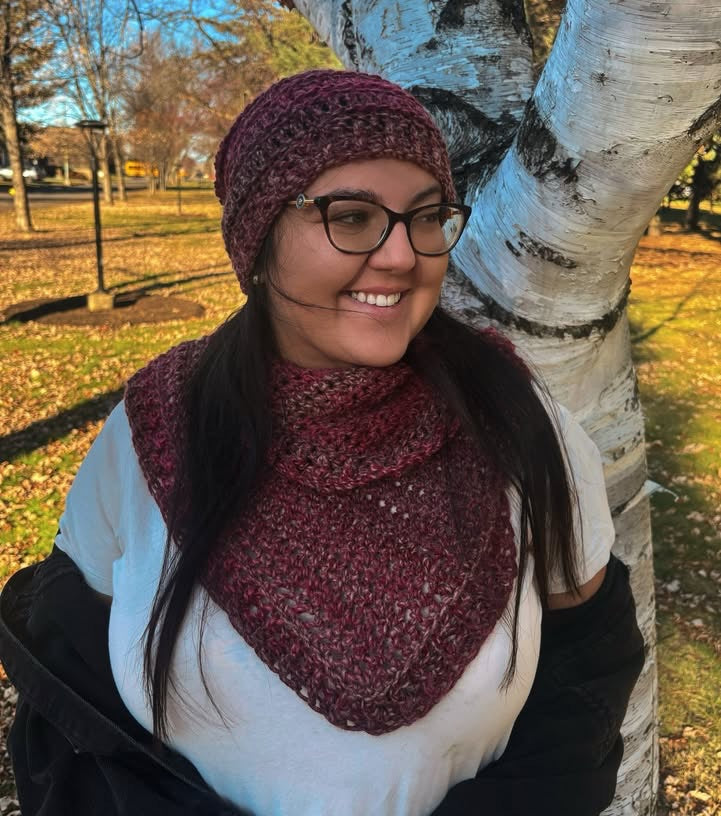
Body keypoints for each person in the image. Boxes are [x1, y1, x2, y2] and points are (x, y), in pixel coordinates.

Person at [0, 70, 644, 816]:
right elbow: (72, 686)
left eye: (426, 216)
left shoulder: (517, 421)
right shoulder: (154, 431)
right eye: (352, 216)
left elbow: (584, 679)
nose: (402, 256)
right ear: (259, 239)